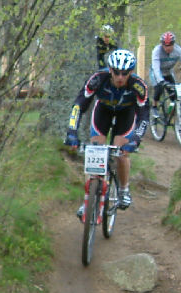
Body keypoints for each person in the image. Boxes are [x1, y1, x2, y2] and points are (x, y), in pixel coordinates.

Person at [64, 48, 149, 219]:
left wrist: (135, 140)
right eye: (116, 72)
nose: (120, 77)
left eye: (124, 73)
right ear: (110, 70)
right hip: (103, 110)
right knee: (95, 151)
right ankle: (87, 201)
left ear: (130, 72)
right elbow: (78, 106)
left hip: (126, 113)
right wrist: (72, 132)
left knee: (121, 153)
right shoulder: (97, 79)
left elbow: (144, 116)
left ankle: (124, 190)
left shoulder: (138, 86)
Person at [149, 31, 181, 117]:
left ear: (174, 44)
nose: (168, 48)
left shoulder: (178, 50)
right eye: (165, 46)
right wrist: (161, 81)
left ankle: (171, 114)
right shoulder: (157, 51)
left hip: (168, 72)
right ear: (162, 44)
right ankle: (154, 106)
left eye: (170, 45)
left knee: (174, 95)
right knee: (159, 88)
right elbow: (156, 68)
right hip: (156, 72)